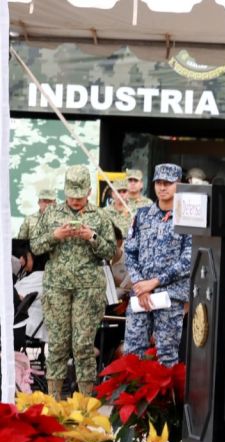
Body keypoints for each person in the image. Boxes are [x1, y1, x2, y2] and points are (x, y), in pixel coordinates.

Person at [29, 165, 116, 398]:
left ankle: (86, 403)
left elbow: (111, 252)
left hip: (89, 290)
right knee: (57, 344)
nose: (75, 201)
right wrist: (55, 236)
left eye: (80, 196)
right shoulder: (51, 213)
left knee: (83, 346)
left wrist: (92, 237)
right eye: (71, 196)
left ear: (89, 192)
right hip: (57, 287)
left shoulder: (100, 216)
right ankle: (54, 401)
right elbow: (35, 246)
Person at [123, 163, 191, 366]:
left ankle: (164, 390)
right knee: (133, 354)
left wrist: (154, 282)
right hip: (140, 295)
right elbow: (130, 252)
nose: (162, 187)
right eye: (159, 182)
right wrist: (140, 284)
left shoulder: (187, 217)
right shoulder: (142, 215)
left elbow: (188, 259)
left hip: (170, 296)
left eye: (168, 183)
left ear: (178, 184)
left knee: (166, 356)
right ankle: (133, 389)